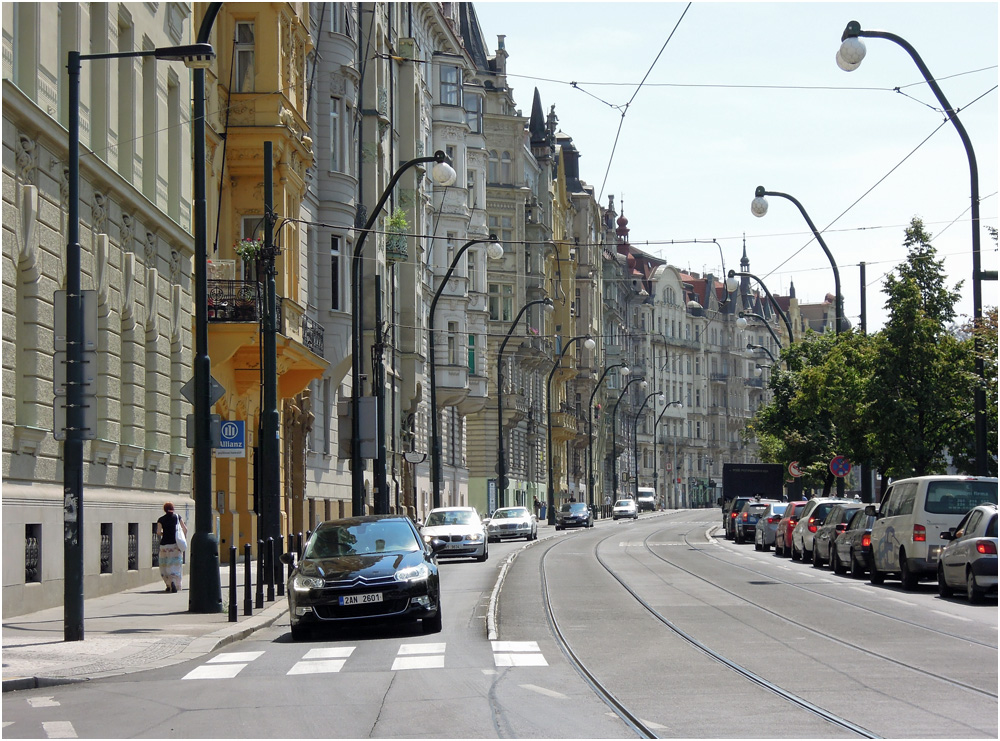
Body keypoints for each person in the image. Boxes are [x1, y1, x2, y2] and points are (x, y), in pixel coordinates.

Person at [156, 502, 187, 593]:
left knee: (165, 564)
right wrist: (182, 538)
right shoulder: (177, 517)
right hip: (175, 545)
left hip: (164, 545)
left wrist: (163, 533)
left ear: (165, 509)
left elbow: (158, 532)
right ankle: (174, 582)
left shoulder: (161, 519)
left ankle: (168, 584)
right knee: (175, 565)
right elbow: (185, 529)